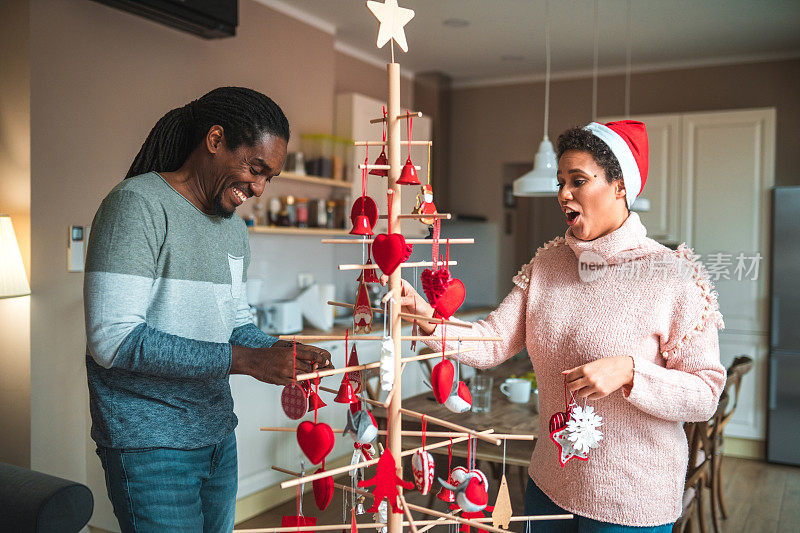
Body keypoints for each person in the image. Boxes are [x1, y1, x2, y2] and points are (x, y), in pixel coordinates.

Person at [390, 121, 725, 531]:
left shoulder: (673, 276)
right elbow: (491, 342)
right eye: (561, 181)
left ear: (620, 187)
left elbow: (704, 393)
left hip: (631, 499)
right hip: (549, 485)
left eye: (579, 180)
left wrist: (630, 372)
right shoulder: (549, 264)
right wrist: (427, 318)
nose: (564, 194)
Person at [84, 87, 333, 532]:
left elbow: (235, 325)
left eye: (268, 178)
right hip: (150, 447)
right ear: (215, 140)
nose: (257, 188)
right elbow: (113, 340)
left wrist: (281, 348)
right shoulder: (136, 205)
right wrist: (246, 360)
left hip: (216, 436)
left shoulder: (233, 231)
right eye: (255, 169)